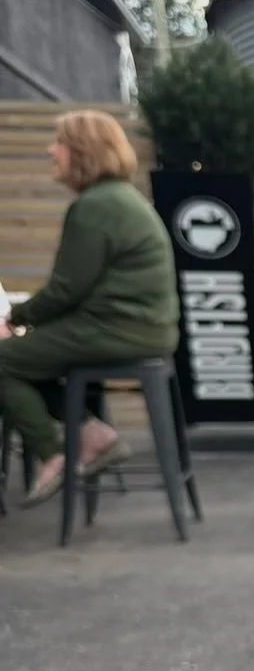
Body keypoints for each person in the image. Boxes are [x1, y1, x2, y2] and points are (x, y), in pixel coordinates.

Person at [0, 111, 179, 507]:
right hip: (139, 328)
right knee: (23, 361)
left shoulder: (95, 206)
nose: (51, 150)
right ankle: (93, 435)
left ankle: (53, 456)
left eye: (59, 142)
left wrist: (13, 317)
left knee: (3, 361)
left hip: (118, 330)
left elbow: (66, 290)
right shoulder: (116, 199)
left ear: (83, 150)